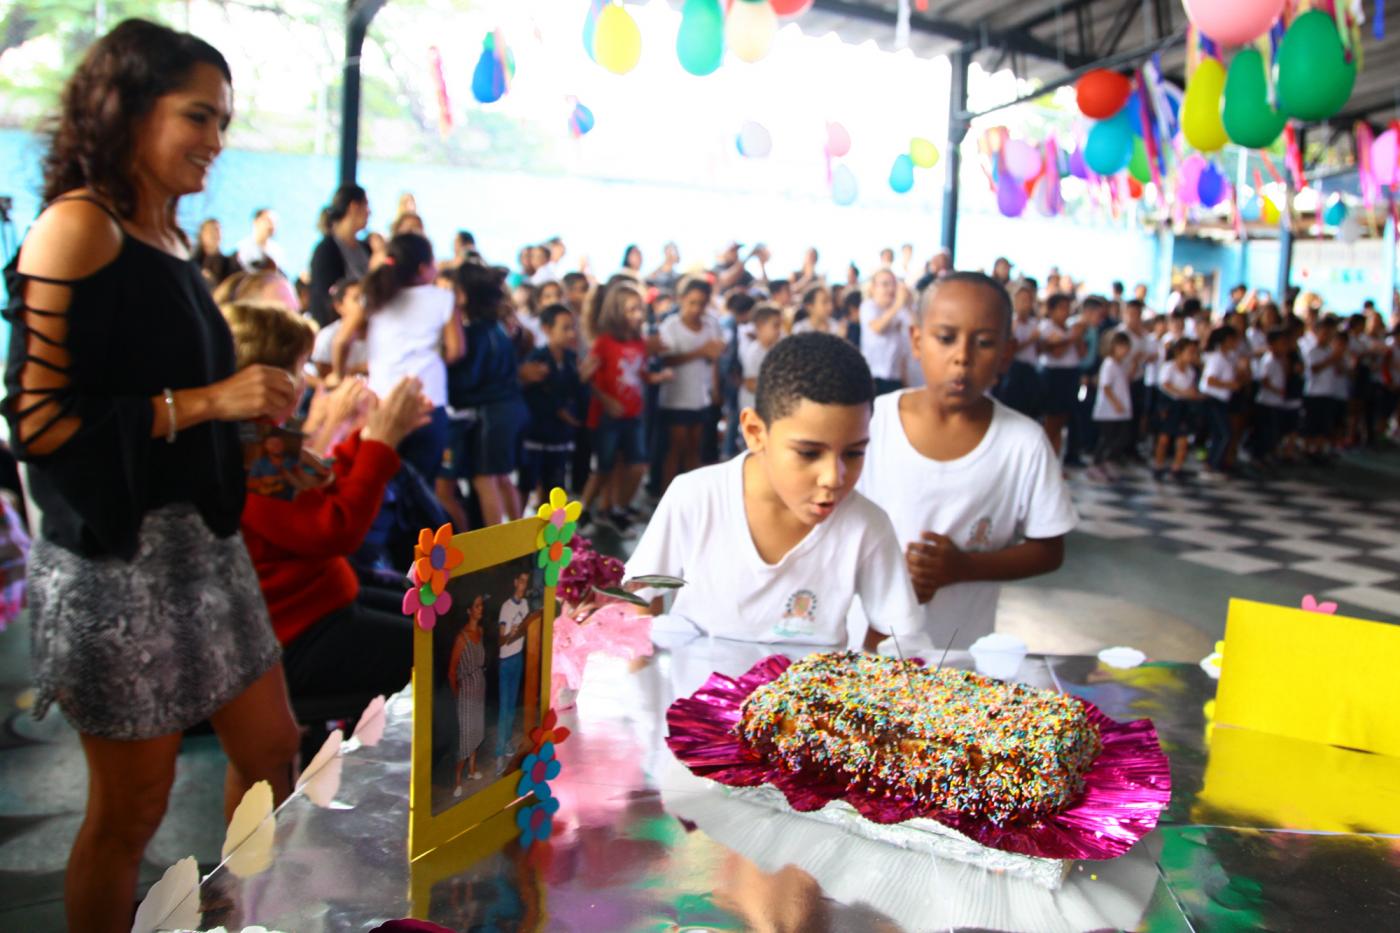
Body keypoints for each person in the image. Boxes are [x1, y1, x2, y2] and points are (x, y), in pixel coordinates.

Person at [4, 21, 300, 930]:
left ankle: (236, 912)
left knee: (274, 751)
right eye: (198, 117)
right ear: (128, 111)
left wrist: (250, 428)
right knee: (130, 811)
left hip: (202, 550)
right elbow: (35, 420)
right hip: (115, 562)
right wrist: (210, 402)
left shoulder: (165, 233)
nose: (216, 140)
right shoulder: (76, 225)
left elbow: (149, 385)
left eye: (224, 121)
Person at [626, 333, 922, 649]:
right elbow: (638, 593)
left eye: (853, 453)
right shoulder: (696, 498)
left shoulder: (867, 526)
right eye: (809, 453)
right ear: (755, 431)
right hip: (694, 698)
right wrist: (645, 671)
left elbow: (895, 631)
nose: (833, 478)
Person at [227, 300, 430, 755]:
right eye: (299, 369)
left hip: (321, 604)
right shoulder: (252, 452)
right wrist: (380, 442)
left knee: (438, 617)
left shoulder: (258, 440)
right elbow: (333, 529)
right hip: (299, 633)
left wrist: (369, 436)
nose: (306, 382)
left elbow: (323, 483)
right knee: (445, 653)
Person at [856, 274, 1076, 651]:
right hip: (861, 646)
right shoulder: (871, 423)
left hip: (957, 657)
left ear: (1007, 353)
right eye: (945, 338)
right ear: (917, 341)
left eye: (985, 343)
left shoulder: (1023, 443)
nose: (962, 357)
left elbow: (1049, 549)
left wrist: (963, 568)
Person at [336, 232, 462, 481]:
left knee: (380, 481)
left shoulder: (373, 294)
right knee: (422, 486)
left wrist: (339, 377)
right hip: (428, 400)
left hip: (381, 400)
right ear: (423, 267)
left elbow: (341, 341)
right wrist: (431, 362)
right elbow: (457, 350)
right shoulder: (443, 298)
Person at [447, 261, 532, 526]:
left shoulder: (474, 334)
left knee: (485, 480)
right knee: (502, 477)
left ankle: (497, 551)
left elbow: (469, 380)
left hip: (492, 415)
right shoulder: (497, 329)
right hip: (512, 409)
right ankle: (519, 542)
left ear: (462, 294)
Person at [580, 284, 671, 531]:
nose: (638, 315)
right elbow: (587, 378)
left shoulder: (639, 342)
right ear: (616, 311)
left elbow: (639, 373)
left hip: (633, 414)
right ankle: (582, 511)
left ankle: (617, 508)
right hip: (607, 417)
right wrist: (606, 400)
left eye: (640, 309)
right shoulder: (603, 343)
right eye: (632, 309)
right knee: (603, 469)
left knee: (638, 464)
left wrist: (657, 377)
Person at [658, 278, 726, 489]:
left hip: (700, 395)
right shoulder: (670, 326)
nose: (697, 308)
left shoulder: (711, 325)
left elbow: (714, 357)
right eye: (692, 302)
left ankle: (690, 493)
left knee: (694, 448)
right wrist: (699, 352)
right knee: (675, 448)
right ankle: (665, 494)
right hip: (675, 397)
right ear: (682, 300)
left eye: (701, 303)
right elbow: (665, 359)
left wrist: (714, 387)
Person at [521, 304, 590, 508]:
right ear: (547, 329)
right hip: (538, 432)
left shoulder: (571, 359)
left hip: (560, 434)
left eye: (572, 328)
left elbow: (575, 390)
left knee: (556, 485)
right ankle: (517, 526)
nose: (571, 333)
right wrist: (560, 411)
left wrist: (583, 378)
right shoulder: (537, 358)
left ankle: (550, 533)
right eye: (565, 328)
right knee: (528, 482)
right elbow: (538, 396)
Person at [308, 184, 371, 326]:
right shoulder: (326, 251)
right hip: (337, 326)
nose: (369, 212)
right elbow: (324, 298)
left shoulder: (366, 247)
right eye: (366, 206)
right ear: (354, 206)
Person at [1036, 293, 1085, 463]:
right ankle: (1043, 461)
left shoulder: (1070, 328)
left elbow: (1081, 354)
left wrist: (1077, 338)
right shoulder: (1046, 327)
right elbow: (1057, 352)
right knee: (1052, 421)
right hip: (1053, 376)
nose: (1066, 312)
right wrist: (1072, 337)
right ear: (1051, 310)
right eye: (1062, 308)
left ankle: (1055, 463)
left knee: (1062, 420)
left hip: (1070, 376)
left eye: (1068, 308)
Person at [449, 594, 488, 795]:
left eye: (481, 605)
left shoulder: (480, 632)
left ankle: (472, 770)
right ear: (469, 610)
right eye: (477, 606)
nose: (481, 609)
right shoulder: (461, 638)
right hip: (466, 694)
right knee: (465, 736)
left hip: (479, 689)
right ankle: (457, 781)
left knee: (477, 731)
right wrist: (458, 694)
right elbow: (452, 671)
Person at [1151, 338, 1204, 481]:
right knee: (1164, 439)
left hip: (1184, 407)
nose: (1193, 356)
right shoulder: (1169, 367)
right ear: (1179, 352)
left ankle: (1176, 468)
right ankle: (1158, 466)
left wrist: (1193, 395)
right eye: (1190, 352)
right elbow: (1166, 385)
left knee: (1182, 439)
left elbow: (1191, 389)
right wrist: (1184, 393)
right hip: (1169, 406)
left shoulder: (1191, 371)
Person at [495, 571, 532, 773]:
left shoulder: (525, 605)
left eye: (527, 582)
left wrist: (522, 631)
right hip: (506, 660)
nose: (524, 585)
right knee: (504, 707)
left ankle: (507, 743)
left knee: (512, 707)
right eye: (521, 581)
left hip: (518, 657)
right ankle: (500, 753)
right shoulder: (506, 607)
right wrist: (512, 634)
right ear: (515, 581)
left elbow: (528, 626)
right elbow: (501, 640)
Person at [1302, 316, 1349, 460]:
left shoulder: (1330, 350)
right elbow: (1314, 369)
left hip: (1329, 391)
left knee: (1324, 424)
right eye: (1325, 333)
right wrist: (1332, 359)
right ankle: (1307, 449)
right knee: (1311, 423)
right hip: (1313, 392)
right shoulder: (1312, 350)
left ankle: (1319, 449)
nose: (1327, 336)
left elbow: (1341, 370)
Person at [1089, 331, 1134, 481]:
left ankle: (1107, 462)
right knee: (1106, 438)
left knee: (1121, 437)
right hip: (1109, 410)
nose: (1124, 350)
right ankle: (1096, 465)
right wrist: (1116, 403)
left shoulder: (1120, 364)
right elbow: (1106, 386)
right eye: (1121, 346)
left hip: (1119, 410)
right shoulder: (1108, 364)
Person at [858, 268, 911, 395]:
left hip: (895, 378)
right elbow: (877, 328)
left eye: (893, 284)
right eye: (885, 284)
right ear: (873, 288)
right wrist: (898, 304)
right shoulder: (868, 306)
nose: (890, 289)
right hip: (873, 377)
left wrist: (908, 303)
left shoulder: (901, 310)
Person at [992, 283, 1039, 418]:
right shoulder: (1011, 322)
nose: (1026, 304)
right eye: (1022, 300)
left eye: (1029, 300)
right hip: (1014, 371)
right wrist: (1030, 339)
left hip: (1031, 370)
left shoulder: (1034, 323)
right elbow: (1010, 350)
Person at [308, 277, 366, 381]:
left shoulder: (382, 330)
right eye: (356, 299)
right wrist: (359, 369)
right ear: (339, 306)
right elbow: (326, 377)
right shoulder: (327, 336)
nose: (363, 304)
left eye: (365, 298)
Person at [739, 304, 783, 413]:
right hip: (754, 406)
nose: (779, 331)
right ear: (760, 326)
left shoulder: (776, 348)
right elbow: (750, 383)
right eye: (776, 326)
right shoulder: (753, 352)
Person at [236, 207, 286, 271]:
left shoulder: (276, 250)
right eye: (269, 221)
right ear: (255, 221)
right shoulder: (243, 248)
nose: (272, 226)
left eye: (275, 222)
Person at [192, 217, 239, 284]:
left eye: (217, 230)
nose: (214, 234)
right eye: (210, 231)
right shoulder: (193, 262)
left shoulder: (229, 264)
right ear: (202, 235)